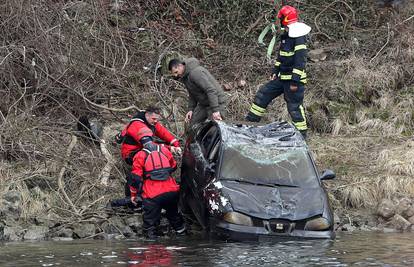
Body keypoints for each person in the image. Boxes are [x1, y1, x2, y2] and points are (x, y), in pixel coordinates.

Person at [245, 5, 311, 139]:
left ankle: (302, 136)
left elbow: (300, 60)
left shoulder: (298, 36)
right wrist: (275, 70)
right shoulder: (286, 35)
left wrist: (295, 81)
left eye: (281, 17)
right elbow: (281, 56)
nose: (279, 20)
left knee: (294, 108)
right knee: (263, 93)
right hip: (282, 78)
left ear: (285, 19)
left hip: (294, 81)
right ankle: (249, 124)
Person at [108, 106, 181, 209]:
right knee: (139, 172)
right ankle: (133, 199)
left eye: (157, 119)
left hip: (141, 149)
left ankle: (148, 189)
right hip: (131, 153)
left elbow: (163, 132)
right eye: (154, 119)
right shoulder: (138, 125)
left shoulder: (150, 121)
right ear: (147, 115)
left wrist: (175, 143)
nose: (156, 122)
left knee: (156, 157)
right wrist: (169, 148)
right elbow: (151, 148)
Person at [128, 137, 186, 239]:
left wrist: (133, 195)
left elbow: (135, 179)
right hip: (171, 191)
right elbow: (174, 166)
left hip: (152, 194)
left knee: (149, 224)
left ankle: (151, 245)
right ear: (152, 139)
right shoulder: (164, 150)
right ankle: (183, 236)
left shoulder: (140, 155)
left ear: (140, 143)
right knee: (175, 216)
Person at [168, 58, 227, 126]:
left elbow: (211, 90)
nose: (176, 75)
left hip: (216, 101)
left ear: (180, 66)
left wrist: (215, 110)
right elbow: (192, 94)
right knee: (193, 124)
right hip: (204, 104)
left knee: (215, 127)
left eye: (176, 72)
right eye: (174, 74)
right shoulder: (185, 77)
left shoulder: (195, 73)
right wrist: (191, 109)